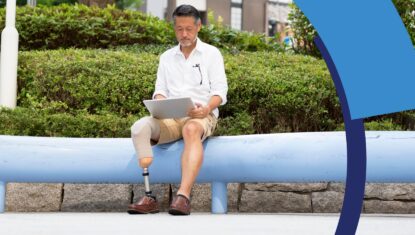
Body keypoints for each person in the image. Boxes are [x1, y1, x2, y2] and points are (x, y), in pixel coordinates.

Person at [127, 4, 228, 216]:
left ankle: (183, 196)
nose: (184, 34)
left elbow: (220, 90)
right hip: (170, 116)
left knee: (191, 130)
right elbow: (160, 90)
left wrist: (207, 107)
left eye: (189, 29)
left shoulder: (211, 54)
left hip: (201, 115)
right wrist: (161, 103)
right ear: (174, 28)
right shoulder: (166, 57)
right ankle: (149, 196)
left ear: (199, 26)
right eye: (179, 29)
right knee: (139, 128)